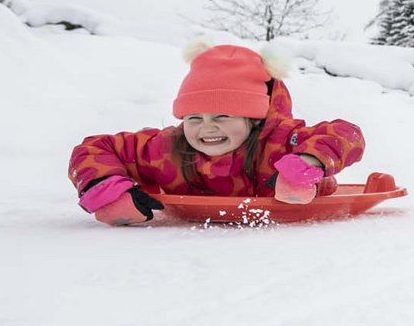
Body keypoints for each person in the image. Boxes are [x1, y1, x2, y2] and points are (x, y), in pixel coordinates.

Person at [68, 41, 365, 225]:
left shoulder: (280, 141)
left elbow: (346, 134)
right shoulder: (165, 149)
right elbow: (94, 149)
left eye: (223, 116)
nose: (207, 127)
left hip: (277, 249)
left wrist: (305, 165)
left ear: (254, 120)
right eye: (194, 117)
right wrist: (109, 191)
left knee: (319, 182)